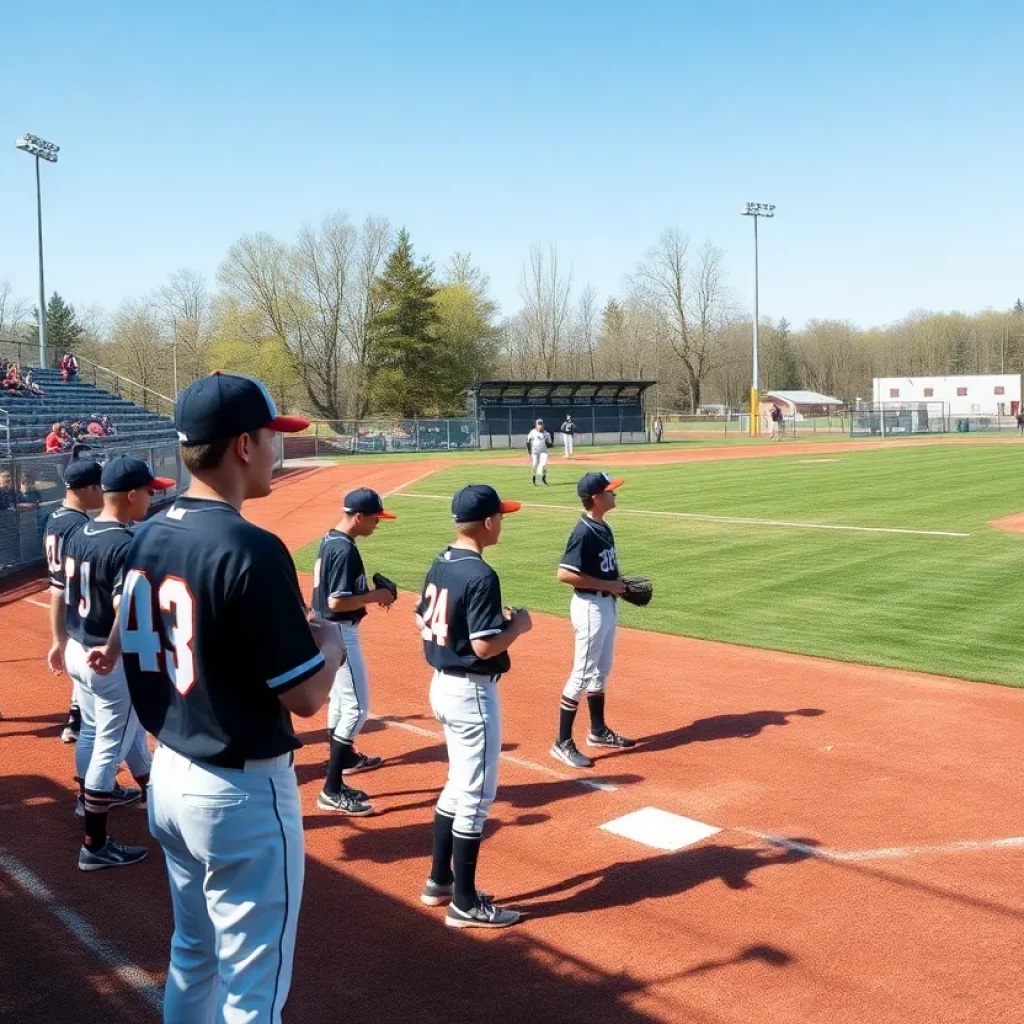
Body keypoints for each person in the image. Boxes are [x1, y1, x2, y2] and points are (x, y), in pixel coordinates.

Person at [87, 372, 341, 1023]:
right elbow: (308, 697)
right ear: (243, 447)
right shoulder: (250, 547)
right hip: (239, 791)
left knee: (193, 957)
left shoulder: (146, 532)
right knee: (254, 991)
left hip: (168, 770)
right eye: (270, 436)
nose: (277, 449)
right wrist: (331, 646)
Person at [416, 484, 530, 929]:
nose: (502, 521)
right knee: (477, 797)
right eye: (500, 516)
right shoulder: (481, 574)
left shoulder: (441, 561)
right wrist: (517, 627)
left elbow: (421, 616)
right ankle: (464, 902)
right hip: (470, 692)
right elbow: (484, 647)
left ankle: (439, 880)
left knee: (456, 784)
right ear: (486, 523)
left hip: (442, 684)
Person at [60, 455, 174, 869]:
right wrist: (111, 651)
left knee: (113, 735)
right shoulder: (125, 545)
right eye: (149, 491)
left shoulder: (81, 530)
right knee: (111, 746)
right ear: (130, 495)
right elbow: (125, 606)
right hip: (107, 659)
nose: (152, 497)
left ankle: (154, 801)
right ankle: (94, 845)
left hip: (78, 648)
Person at [312, 487, 397, 816]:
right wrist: (378, 596)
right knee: (357, 709)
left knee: (340, 704)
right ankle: (331, 789)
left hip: (323, 629)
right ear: (359, 516)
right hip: (339, 633)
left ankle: (344, 759)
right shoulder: (345, 549)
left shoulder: (330, 538)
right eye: (375, 518)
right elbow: (338, 600)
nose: (378, 523)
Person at [550, 473, 635, 769]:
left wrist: (618, 584)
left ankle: (598, 731)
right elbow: (564, 573)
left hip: (606, 604)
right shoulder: (583, 532)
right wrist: (608, 585)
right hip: (590, 608)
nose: (615, 494)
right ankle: (561, 742)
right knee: (582, 674)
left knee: (602, 670)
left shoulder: (604, 526)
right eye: (610, 491)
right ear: (597, 498)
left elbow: (606, 569)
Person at [45, 457, 105, 745]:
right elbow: (59, 587)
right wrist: (58, 639)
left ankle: (75, 719)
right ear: (89, 488)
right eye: (100, 487)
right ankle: (79, 723)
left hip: (67, 600)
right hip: (77, 604)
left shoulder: (55, 517)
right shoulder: (79, 526)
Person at [526, 418, 553, 486]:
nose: (540, 426)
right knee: (535, 464)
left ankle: (543, 478)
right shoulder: (533, 432)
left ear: (543, 425)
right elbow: (528, 441)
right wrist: (529, 451)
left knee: (543, 465)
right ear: (536, 425)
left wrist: (550, 442)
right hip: (535, 451)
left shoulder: (546, 433)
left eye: (541, 424)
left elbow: (549, 444)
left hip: (544, 451)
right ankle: (534, 476)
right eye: (539, 424)